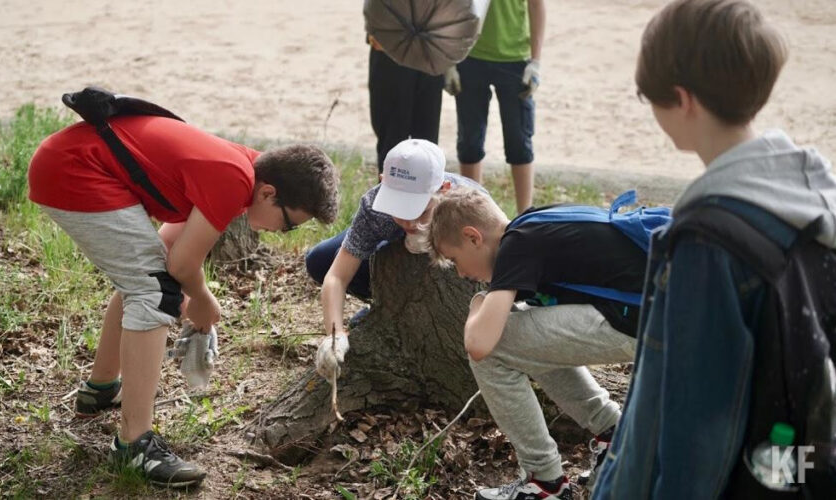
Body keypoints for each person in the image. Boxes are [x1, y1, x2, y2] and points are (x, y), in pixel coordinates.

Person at [592, 1, 836, 498]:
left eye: (648, 97)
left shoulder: (708, 241)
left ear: (682, 100)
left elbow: (694, 430)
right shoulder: (813, 202)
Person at [28, 115, 339, 488]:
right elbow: (181, 265)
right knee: (153, 289)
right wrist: (202, 299)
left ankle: (100, 389)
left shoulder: (247, 172)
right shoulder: (234, 178)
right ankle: (133, 445)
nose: (282, 233)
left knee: (146, 280)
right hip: (73, 170)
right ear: (269, 194)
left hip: (67, 161)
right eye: (289, 224)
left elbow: (168, 249)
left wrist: (188, 293)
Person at [425, 187, 646, 500]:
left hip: (642, 321)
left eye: (455, 259)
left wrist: (478, 303)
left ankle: (544, 483)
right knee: (524, 324)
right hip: (653, 315)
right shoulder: (530, 225)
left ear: (474, 237)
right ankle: (613, 435)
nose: (461, 273)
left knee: (495, 348)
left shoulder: (517, 246)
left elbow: (480, 345)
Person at [307, 138, 482, 378]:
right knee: (320, 259)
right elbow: (337, 276)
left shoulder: (471, 207)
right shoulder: (375, 207)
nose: (409, 221)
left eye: (419, 210)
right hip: (389, 242)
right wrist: (334, 336)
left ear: (444, 190)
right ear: (383, 183)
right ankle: (381, 302)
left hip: (451, 276)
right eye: (399, 209)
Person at [445, 0, 545, 213]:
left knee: (519, 141)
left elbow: (536, 5)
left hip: (515, 58)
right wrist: (450, 60)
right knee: (470, 141)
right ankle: (471, 212)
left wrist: (535, 62)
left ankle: (525, 216)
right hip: (469, 56)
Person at [368, 34, 444, 173]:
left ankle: (424, 194)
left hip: (430, 52)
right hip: (390, 52)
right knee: (391, 145)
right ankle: (388, 193)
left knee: (427, 149)